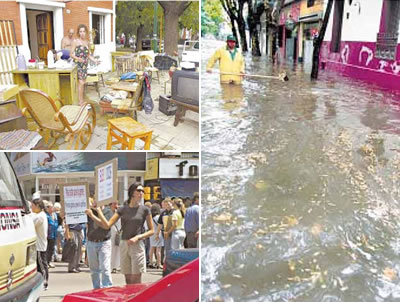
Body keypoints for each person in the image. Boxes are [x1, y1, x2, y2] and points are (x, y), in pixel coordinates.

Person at [87, 183, 154, 284]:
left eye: (142, 191)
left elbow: (151, 230)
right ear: (132, 192)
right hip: (124, 244)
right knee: (128, 278)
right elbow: (107, 225)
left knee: (136, 277)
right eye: (139, 190)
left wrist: (138, 237)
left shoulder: (145, 209)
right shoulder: (122, 209)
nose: (141, 193)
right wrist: (96, 213)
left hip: (137, 245)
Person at [85, 198, 113, 289]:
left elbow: (105, 225)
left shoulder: (108, 211)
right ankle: (96, 289)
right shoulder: (90, 211)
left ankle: (107, 288)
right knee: (94, 270)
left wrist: (93, 215)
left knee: (105, 268)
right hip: (91, 242)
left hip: (104, 242)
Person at [70, 24, 100, 107]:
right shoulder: (75, 41)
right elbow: (71, 54)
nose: (82, 33)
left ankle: (82, 101)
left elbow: (88, 55)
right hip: (78, 65)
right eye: (80, 31)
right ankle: (81, 102)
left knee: (83, 83)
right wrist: (78, 59)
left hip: (85, 65)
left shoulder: (87, 42)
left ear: (86, 32)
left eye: (83, 31)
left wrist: (95, 61)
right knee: (81, 83)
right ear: (78, 33)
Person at [32, 197, 49, 290]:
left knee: (42, 265)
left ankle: (45, 283)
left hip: (39, 246)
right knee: (40, 265)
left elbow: (31, 224)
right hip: (40, 245)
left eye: (32, 205)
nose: (31, 207)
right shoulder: (40, 215)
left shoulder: (40, 216)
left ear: (37, 206)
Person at [149, 204, 163, 269]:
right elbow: (161, 225)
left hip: (151, 233)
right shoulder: (158, 217)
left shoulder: (150, 217)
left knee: (151, 248)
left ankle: (150, 262)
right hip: (158, 233)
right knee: (158, 249)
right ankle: (158, 263)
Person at [45, 201, 58, 268]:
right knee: (47, 250)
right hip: (48, 235)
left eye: (52, 207)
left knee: (51, 249)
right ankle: (46, 262)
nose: (52, 208)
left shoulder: (54, 214)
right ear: (47, 208)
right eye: (51, 207)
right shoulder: (46, 215)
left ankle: (49, 262)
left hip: (54, 234)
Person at [109, 201, 121, 273]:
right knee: (110, 249)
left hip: (117, 232)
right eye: (115, 204)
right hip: (110, 231)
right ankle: (110, 266)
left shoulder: (118, 212)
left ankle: (115, 266)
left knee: (117, 249)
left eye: (117, 204)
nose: (116, 205)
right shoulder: (108, 212)